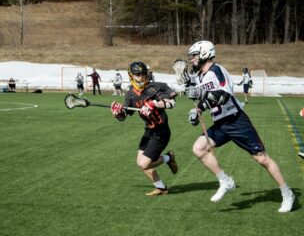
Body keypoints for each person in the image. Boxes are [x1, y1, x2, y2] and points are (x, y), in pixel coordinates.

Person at [185, 40, 294, 212]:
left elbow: (224, 96)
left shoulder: (217, 70)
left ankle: (287, 194)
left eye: (194, 56)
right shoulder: (200, 76)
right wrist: (197, 109)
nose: (192, 59)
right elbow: (207, 99)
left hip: (236, 121)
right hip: (220, 123)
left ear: (205, 54)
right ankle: (225, 180)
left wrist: (202, 93)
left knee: (262, 158)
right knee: (199, 148)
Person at [111, 61, 178, 196]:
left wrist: (154, 104)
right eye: (137, 74)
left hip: (161, 132)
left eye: (143, 74)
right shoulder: (130, 94)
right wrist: (117, 113)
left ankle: (168, 158)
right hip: (149, 131)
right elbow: (124, 115)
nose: (140, 77)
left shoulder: (155, 87)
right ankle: (161, 188)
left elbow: (171, 102)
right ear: (131, 75)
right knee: (140, 162)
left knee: (144, 164)